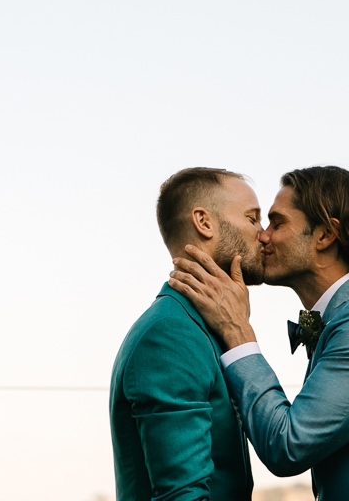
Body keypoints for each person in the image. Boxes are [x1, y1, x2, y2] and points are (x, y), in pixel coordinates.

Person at [169, 166, 349, 501]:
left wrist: (237, 333)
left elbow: (288, 445)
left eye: (277, 223)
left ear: (324, 235)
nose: (262, 235)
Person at [110, 167, 265, 501]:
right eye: (253, 218)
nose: (263, 234)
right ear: (204, 222)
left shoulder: (201, 327)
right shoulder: (171, 334)